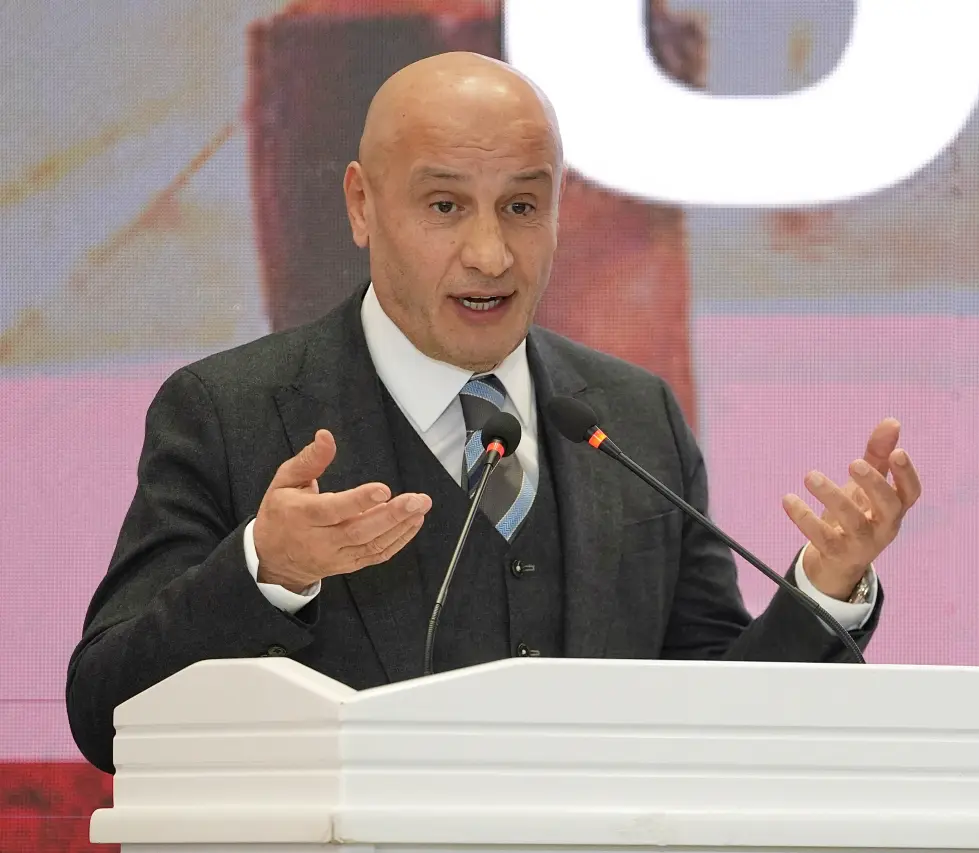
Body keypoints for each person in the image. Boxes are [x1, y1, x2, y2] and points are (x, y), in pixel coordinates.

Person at [65, 53, 921, 774]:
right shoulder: (229, 413)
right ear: (362, 205)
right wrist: (266, 570)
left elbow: (719, 717)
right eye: (445, 206)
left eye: (521, 206)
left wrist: (826, 587)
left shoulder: (634, 417)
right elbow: (106, 711)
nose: (490, 254)